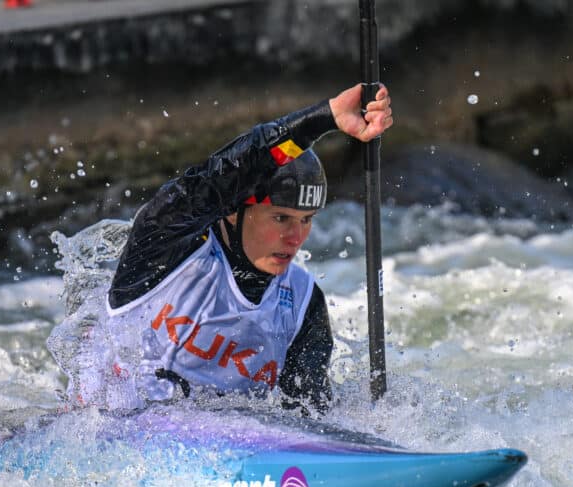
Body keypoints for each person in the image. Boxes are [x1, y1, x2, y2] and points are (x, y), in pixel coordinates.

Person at [104, 83, 393, 413]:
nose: (296, 238)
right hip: (113, 441)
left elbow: (309, 418)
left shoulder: (302, 304)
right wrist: (321, 119)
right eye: (281, 217)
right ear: (232, 209)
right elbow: (219, 176)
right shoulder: (167, 246)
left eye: (306, 219)